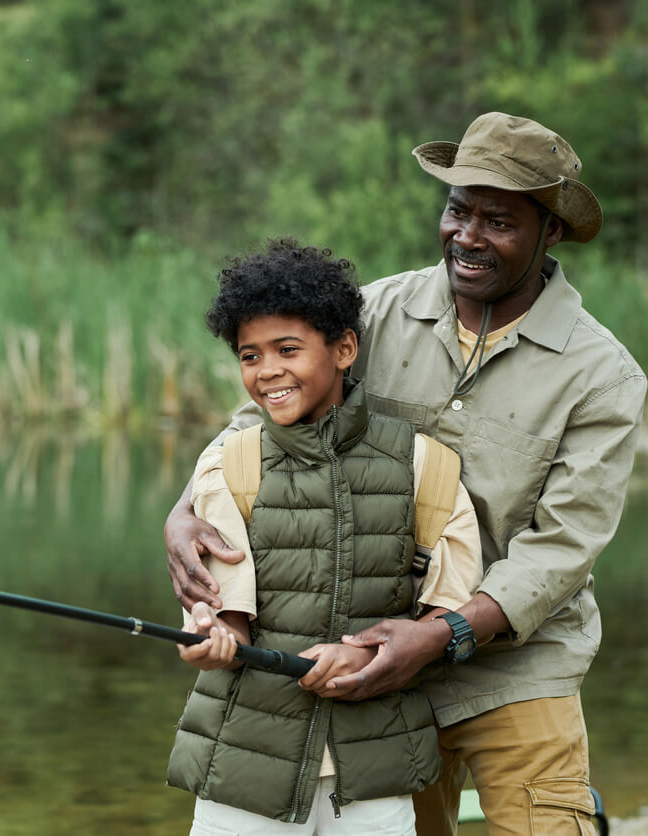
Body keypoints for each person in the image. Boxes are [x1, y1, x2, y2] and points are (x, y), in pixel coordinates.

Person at [164, 113, 647, 836]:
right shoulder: (377, 311)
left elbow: (562, 548)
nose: (469, 236)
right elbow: (260, 426)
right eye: (458, 211)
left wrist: (443, 632)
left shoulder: (601, 374)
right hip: (369, 664)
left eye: (499, 221)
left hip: (517, 668)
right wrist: (181, 512)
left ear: (550, 233)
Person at [166, 238, 485, 835]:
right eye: (249, 356)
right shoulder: (227, 466)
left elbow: (448, 613)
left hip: (375, 766)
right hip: (244, 764)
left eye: (288, 349)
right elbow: (226, 614)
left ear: (344, 349)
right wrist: (207, 636)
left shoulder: (429, 467)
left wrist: (367, 654)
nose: (267, 373)